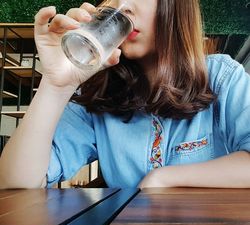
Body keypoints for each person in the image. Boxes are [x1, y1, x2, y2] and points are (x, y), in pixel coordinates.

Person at [1, 0, 250, 189]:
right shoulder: (98, 93)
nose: (123, 6)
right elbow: (16, 184)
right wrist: (55, 86)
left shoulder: (221, 76)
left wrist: (164, 178)